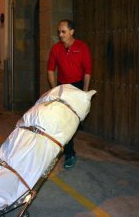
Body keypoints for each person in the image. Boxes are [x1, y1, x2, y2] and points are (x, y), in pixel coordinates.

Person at [47, 19, 92, 169]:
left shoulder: (82, 47)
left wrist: (84, 93)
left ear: (72, 32)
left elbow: (87, 72)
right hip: (62, 87)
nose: (60, 34)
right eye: (59, 31)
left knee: (72, 122)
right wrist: (55, 90)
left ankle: (68, 150)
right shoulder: (56, 48)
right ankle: (69, 153)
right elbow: (50, 70)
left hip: (78, 87)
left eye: (63, 31)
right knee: (63, 121)